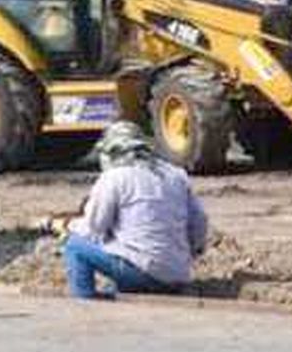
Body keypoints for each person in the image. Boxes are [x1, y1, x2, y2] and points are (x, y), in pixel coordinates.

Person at [62, 120, 210, 300]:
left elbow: (94, 227)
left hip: (142, 272)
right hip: (178, 274)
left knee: (75, 246)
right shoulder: (176, 175)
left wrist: (69, 226)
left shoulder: (115, 177)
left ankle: (84, 304)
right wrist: (190, 252)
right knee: (123, 254)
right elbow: (200, 222)